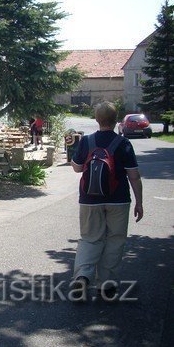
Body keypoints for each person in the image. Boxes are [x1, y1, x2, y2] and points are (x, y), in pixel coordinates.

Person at [70, 102, 143, 301]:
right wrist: (139, 202)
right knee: (115, 239)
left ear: (96, 119)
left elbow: (76, 168)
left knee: (89, 238)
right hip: (118, 199)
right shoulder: (123, 143)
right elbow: (134, 176)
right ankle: (106, 284)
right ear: (115, 119)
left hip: (89, 199)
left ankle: (83, 275)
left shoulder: (86, 141)